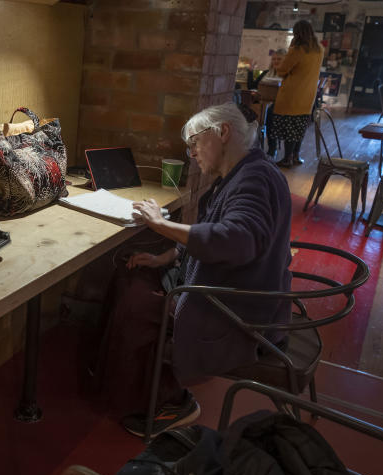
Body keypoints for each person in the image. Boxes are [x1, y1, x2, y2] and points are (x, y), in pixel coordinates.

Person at [93, 103, 292, 438]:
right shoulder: (245, 173)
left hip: (238, 311)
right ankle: (116, 376)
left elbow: (236, 241)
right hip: (234, 290)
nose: (191, 153)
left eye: (195, 143)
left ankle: (171, 402)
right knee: (131, 273)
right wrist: (165, 257)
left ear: (223, 132)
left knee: (137, 305)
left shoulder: (254, 180)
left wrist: (159, 224)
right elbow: (215, 232)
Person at [269, 20, 324, 168]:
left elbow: (281, 70)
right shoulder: (320, 49)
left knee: (289, 128)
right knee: (299, 127)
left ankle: (287, 158)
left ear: (297, 34)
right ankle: (296, 156)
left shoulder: (298, 50)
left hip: (293, 94)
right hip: (308, 95)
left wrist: (292, 47)